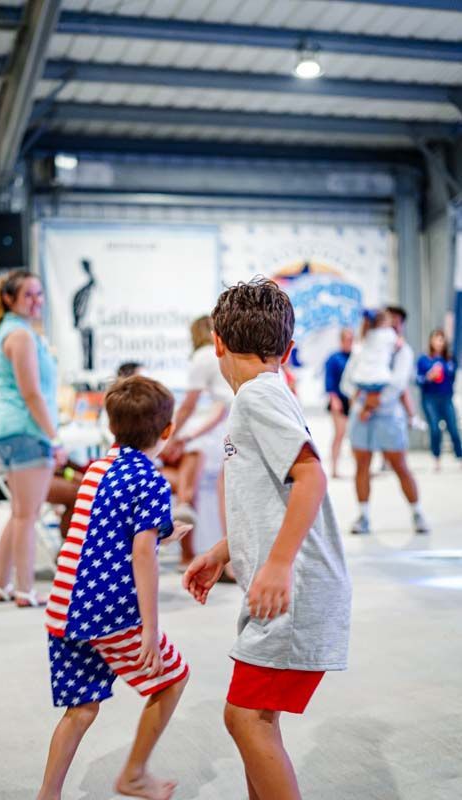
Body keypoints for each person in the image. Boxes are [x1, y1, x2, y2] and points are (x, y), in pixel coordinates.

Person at [183, 279, 351, 800]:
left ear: (216, 344)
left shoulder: (256, 396)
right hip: (288, 589)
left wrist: (277, 565)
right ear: (290, 349)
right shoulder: (272, 391)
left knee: (245, 719)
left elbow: (311, 477)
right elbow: (269, 498)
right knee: (258, 718)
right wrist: (220, 551)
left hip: (292, 592)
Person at [39, 377, 190, 800]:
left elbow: (105, 531)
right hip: (108, 610)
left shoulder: (98, 469)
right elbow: (141, 555)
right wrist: (148, 629)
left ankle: (47, 795)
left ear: (112, 428)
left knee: (82, 708)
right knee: (173, 678)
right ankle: (135, 774)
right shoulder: (152, 480)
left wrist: (160, 534)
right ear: (166, 431)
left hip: (65, 604)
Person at [0, 270, 66, 607]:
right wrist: (54, 438)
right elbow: (31, 393)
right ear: (9, 298)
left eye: (39, 294)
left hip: (11, 430)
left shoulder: (12, 332)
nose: (36, 301)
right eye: (28, 295)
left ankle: (1, 584)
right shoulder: (21, 336)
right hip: (26, 430)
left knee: (19, 513)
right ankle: (25, 589)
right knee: (27, 515)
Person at [342, 305, 429, 535]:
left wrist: (370, 404)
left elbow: (397, 385)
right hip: (361, 416)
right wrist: (362, 400)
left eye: (398, 322)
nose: (393, 325)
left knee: (399, 465)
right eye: (390, 320)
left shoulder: (403, 352)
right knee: (361, 464)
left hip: (388, 416)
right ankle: (363, 515)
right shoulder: (361, 349)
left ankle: (417, 512)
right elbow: (348, 381)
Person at [161, 315, 233, 567]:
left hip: (227, 430)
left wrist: (173, 436)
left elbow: (188, 406)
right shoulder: (224, 356)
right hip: (231, 426)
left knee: (223, 486)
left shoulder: (202, 358)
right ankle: (184, 502)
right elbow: (219, 409)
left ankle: (228, 559)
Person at [417, 329, 462, 470]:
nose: (439, 342)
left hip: (446, 398)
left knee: (453, 428)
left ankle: (460, 455)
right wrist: (429, 377)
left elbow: (452, 378)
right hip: (430, 399)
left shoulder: (449, 359)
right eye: (436, 339)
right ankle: (436, 458)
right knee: (435, 428)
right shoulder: (424, 360)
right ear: (431, 341)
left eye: (441, 339)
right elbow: (418, 380)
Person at [324, 328, 353, 478]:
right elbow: (329, 381)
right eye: (346, 339)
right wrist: (334, 399)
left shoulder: (356, 356)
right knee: (339, 433)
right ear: (341, 340)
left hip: (353, 400)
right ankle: (334, 468)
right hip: (339, 400)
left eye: (351, 339)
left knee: (354, 435)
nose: (349, 342)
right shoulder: (334, 358)